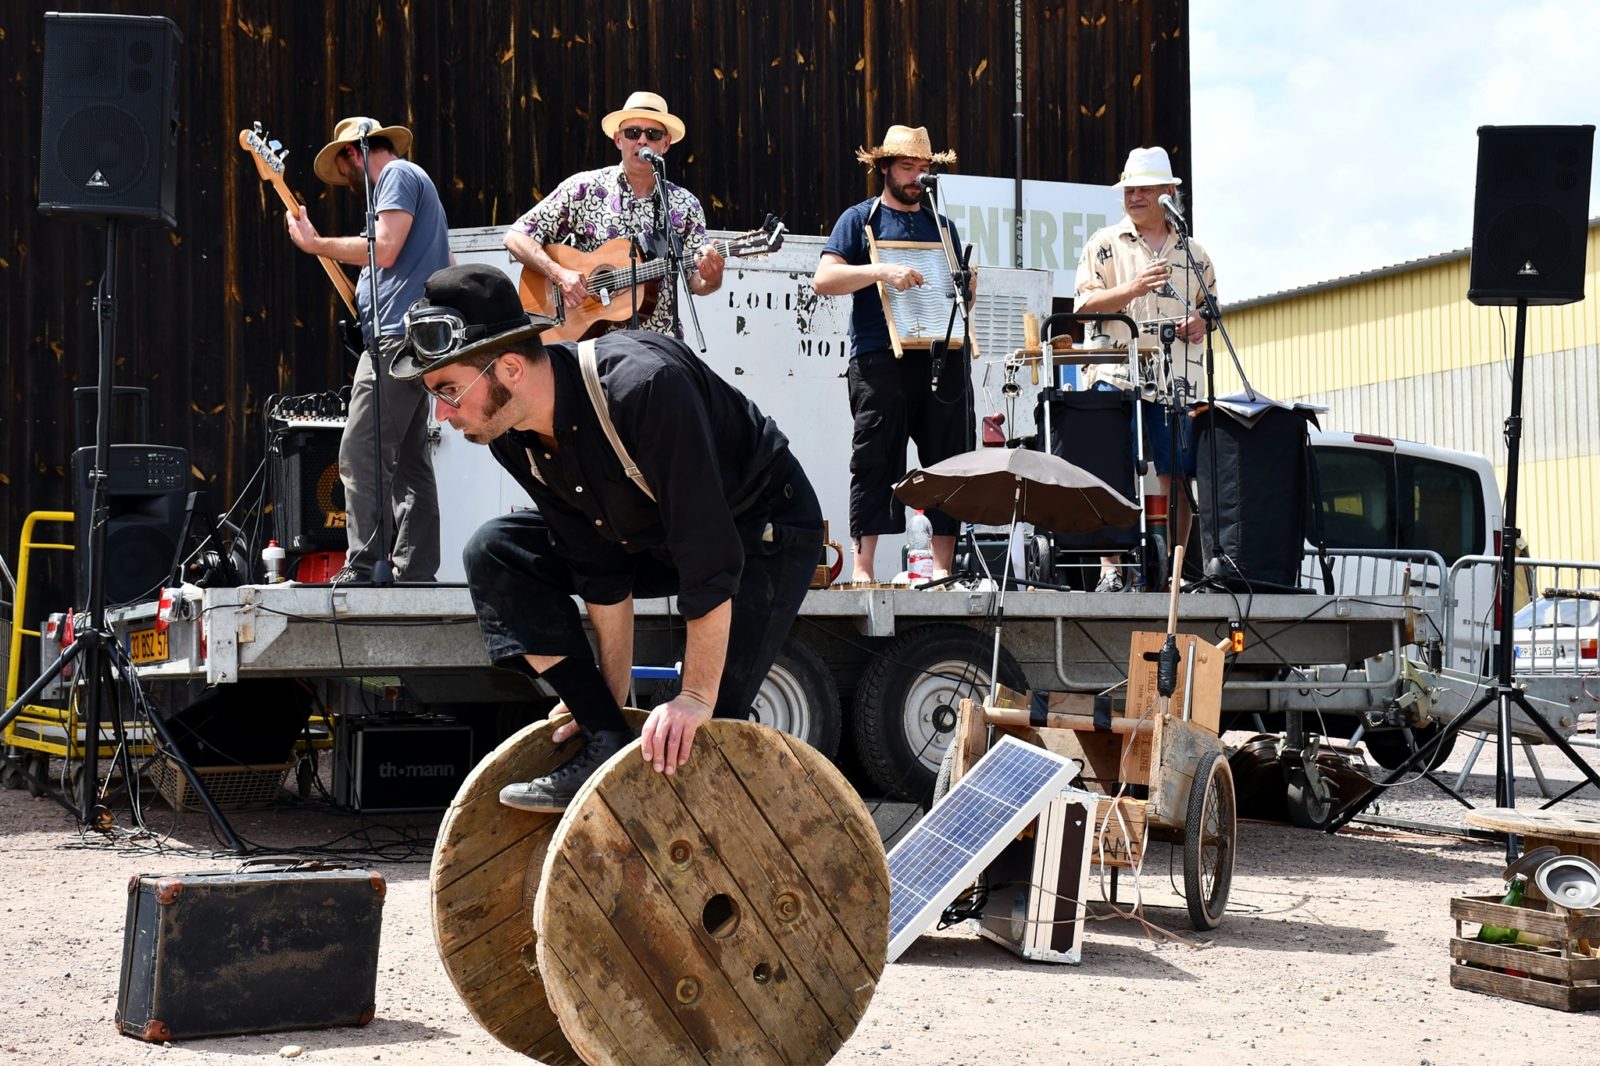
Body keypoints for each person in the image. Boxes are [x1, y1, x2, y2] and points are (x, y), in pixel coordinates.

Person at [391, 264, 822, 811]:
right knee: (496, 550)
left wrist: (693, 696)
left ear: (510, 369)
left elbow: (708, 556)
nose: (441, 413)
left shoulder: (642, 386)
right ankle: (602, 737)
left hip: (761, 530)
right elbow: (597, 566)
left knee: (699, 729)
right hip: (651, 531)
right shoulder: (511, 435)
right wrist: (607, 712)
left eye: (448, 390)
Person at [285, 116, 452, 583]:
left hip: (398, 341)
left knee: (359, 453)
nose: (347, 180)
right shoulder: (415, 186)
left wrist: (316, 244)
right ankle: (415, 570)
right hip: (418, 337)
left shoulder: (396, 176)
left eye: (344, 168)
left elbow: (387, 248)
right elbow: (439, 263)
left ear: (354, 153)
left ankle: (363, 567)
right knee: (411, 462)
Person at [812, 124, 976, 583]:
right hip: (879, 356)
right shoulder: (859, 219)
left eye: (923, 168)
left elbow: (955, 297)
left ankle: (941, 569)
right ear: (884, 167)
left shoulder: (943, 226)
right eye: (908, 167)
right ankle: (864, 568)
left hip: (941, 355)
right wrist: (881, 270)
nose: (916, 177)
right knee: (876, 458)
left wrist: (968, 288)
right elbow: (824, 280)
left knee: (949, 459)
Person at [1073, 146, 1217, 592]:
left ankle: (1172, 575)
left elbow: (1211, 309)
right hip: (1114, 373)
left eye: (1143, 188)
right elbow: (1082, 306)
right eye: (1128, 189)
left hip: (1175, 379)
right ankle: (1110, 568)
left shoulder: (1194, 252)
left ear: (1169, 193)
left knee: (1178, 473)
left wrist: (1201, 323)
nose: (1133, 196)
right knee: (1110, 472)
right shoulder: (1104, 244)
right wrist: (1132, 288)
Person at [504, 90, 724, 338]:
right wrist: (559, 274)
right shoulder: (584, 189)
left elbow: (696, 282)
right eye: (633, 133)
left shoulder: (685, 205)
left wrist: (711, 277)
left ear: (665, 144)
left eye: (653, 135)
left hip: (659, 345)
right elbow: (516, 237)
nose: (642, 141)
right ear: (619, 140)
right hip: (589, 346)